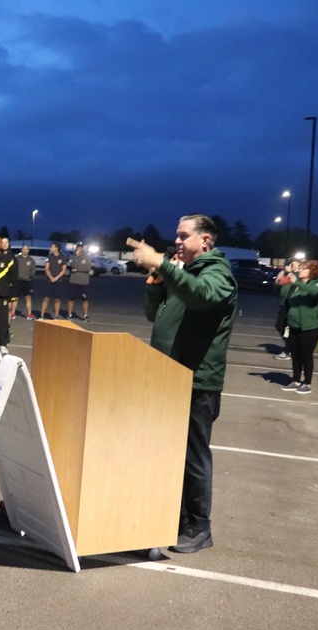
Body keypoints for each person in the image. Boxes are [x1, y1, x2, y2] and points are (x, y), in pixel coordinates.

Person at [131, 214, 237, 554]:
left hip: (197, 380)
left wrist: (164, 264)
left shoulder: (216, 272)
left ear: (205, 240)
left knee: (192, 456)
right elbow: (155, 314)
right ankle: (174, 518)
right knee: (168, 453)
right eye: (175, 235)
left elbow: (203, 297)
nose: (177, 241)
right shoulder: (184, 273)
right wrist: (158, 281)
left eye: (183, 235)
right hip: (168, 375)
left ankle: (199, 526)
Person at [279, 261, 318, 395]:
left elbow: (315, 293)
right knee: (295, 354)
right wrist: (283, 282)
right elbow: (283, 295)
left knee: (306, 355)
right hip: (294, 325)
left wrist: (297, 282)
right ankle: (296, 380)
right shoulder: (296, 284)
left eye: (303, 268)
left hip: (310, 327)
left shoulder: (316, 284)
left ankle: (307, 383)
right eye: (299, 268)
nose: (299, 270)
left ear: (311, 271)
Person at [272, 260, 300, 360]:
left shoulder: (298, 276)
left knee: (288, 328)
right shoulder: (286, 275)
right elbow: (277, 290)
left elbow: (297, 284)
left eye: (294, 264)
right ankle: (290, 348)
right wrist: (279, 279)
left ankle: (289, 350)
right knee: (281, 326)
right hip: (284, 305)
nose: (291, 266)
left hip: (293, 306)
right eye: (290, 264)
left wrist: (290, 273)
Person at [40, 243, 68, 319]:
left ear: (57, 248)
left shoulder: (62, 258)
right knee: (46, 298)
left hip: (59, 281)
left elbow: (64, 270)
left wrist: (56, 278)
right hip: (49, 280)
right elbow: (46, 268)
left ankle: (56, 316)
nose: (51, 248)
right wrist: (51, 277)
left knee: (57, 299)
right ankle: (42, 315)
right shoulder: (49, 257)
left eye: (52, 247)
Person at [67, 243, 92, 321]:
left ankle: (85, 316)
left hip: (83, 281)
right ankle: (69, 314)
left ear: (83, 248)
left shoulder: (87, 257)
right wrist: (76, 257)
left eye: (80, 247)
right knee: (71, 298)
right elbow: (71, 265)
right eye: (78, 247)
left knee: (84, 299)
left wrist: (77, 269)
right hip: (73, 280)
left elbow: (87, 268)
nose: (79, 248)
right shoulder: (72, 256)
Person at [14, 245, 37, 319]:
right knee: (15, 298)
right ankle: (12, 313)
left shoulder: (31, 260)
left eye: (27, 249)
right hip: (18, 281)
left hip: (27, 281)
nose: (25, 250)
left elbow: (33, 270)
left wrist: (30, 276)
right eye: (24, 249)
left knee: (28, 297)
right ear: (21, 250)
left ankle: (29, 314)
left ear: (28, 250)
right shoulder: (17, 259)